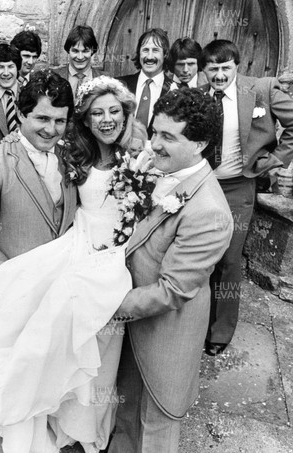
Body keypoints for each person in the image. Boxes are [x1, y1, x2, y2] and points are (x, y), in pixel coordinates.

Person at [0, 74, 150, 453]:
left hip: (66, 285)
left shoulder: (70, 155)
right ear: (22, 115)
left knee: (54, 375)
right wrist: (16, 281)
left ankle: (60, 435)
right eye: (42, 119)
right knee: (15, 373)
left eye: (60, 121)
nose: (51, 129)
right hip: (14, 291)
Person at [108, 88, 234, 453]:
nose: (154, 144)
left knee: (156, 425)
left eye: (168, 136)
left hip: (166, 333)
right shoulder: (162, 168)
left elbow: (172, 291)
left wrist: (103, 302)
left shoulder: (209, 211)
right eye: (154, 131)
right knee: (125, 411)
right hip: (135, 323)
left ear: (201, 143)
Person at [199, 40, 293, 356]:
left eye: (226, 68)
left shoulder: (261, 89)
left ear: (237, 66)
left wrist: (275, 161)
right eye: (213, 68)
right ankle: (197, 321)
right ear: (205, 70)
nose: (220, 75)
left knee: (229, 258)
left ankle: (220, 331)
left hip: (239, 187)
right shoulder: (200, 96)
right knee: (200, 255)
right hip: (203, 187)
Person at [118, 28, 173, 137]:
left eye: (155, 50)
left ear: (165, 54)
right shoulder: (120, 84)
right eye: (145, 50)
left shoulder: (175, 90)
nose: (149, 57)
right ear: (139, 53)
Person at [55, 25, 103, 100]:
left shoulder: (104, 79)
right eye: (75, 51)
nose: (80, 57)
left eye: (85, 51)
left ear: (92, 51)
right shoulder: (55, 77)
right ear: (68, 50)